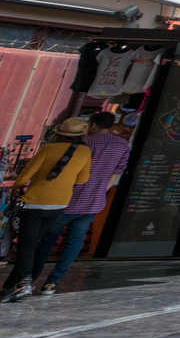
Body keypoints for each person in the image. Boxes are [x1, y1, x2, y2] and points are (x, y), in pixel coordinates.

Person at [33, 113, 131, 296]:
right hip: (93, 201)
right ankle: (52, 283)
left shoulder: (85, 143)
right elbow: (116, 174)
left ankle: (31, 279)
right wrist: (100, 191)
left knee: (48, 239)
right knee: (74, 242)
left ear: (93, 125)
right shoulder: (123, 146)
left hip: (67, 198)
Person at [3, 118, 91, 302]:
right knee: (32, 245)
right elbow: (82, 180)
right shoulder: (85, 153)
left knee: (26, 246)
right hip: (59, 205)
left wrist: (18, 186)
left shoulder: (48, 149)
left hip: (34, 203)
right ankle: (9, 288)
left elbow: (25, 176)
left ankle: (23, 284)